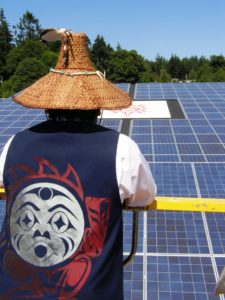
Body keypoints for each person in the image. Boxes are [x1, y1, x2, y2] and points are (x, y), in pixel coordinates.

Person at [0, 28, 156, 299]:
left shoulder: (14, 143)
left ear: (48, 104)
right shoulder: (121, 149)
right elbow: (144, 197)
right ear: (96, 106)